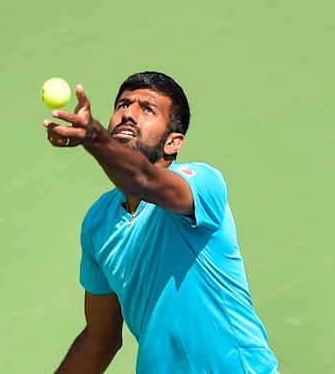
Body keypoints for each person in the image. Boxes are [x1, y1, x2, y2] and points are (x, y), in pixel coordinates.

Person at [43, 71, 279, 374]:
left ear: (173, 142)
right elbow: (98, 341)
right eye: (123, 105)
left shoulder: (202, 184)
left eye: (147, 109)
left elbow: (145, 181)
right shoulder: (98, 222)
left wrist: (94, 138)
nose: (129, 114)